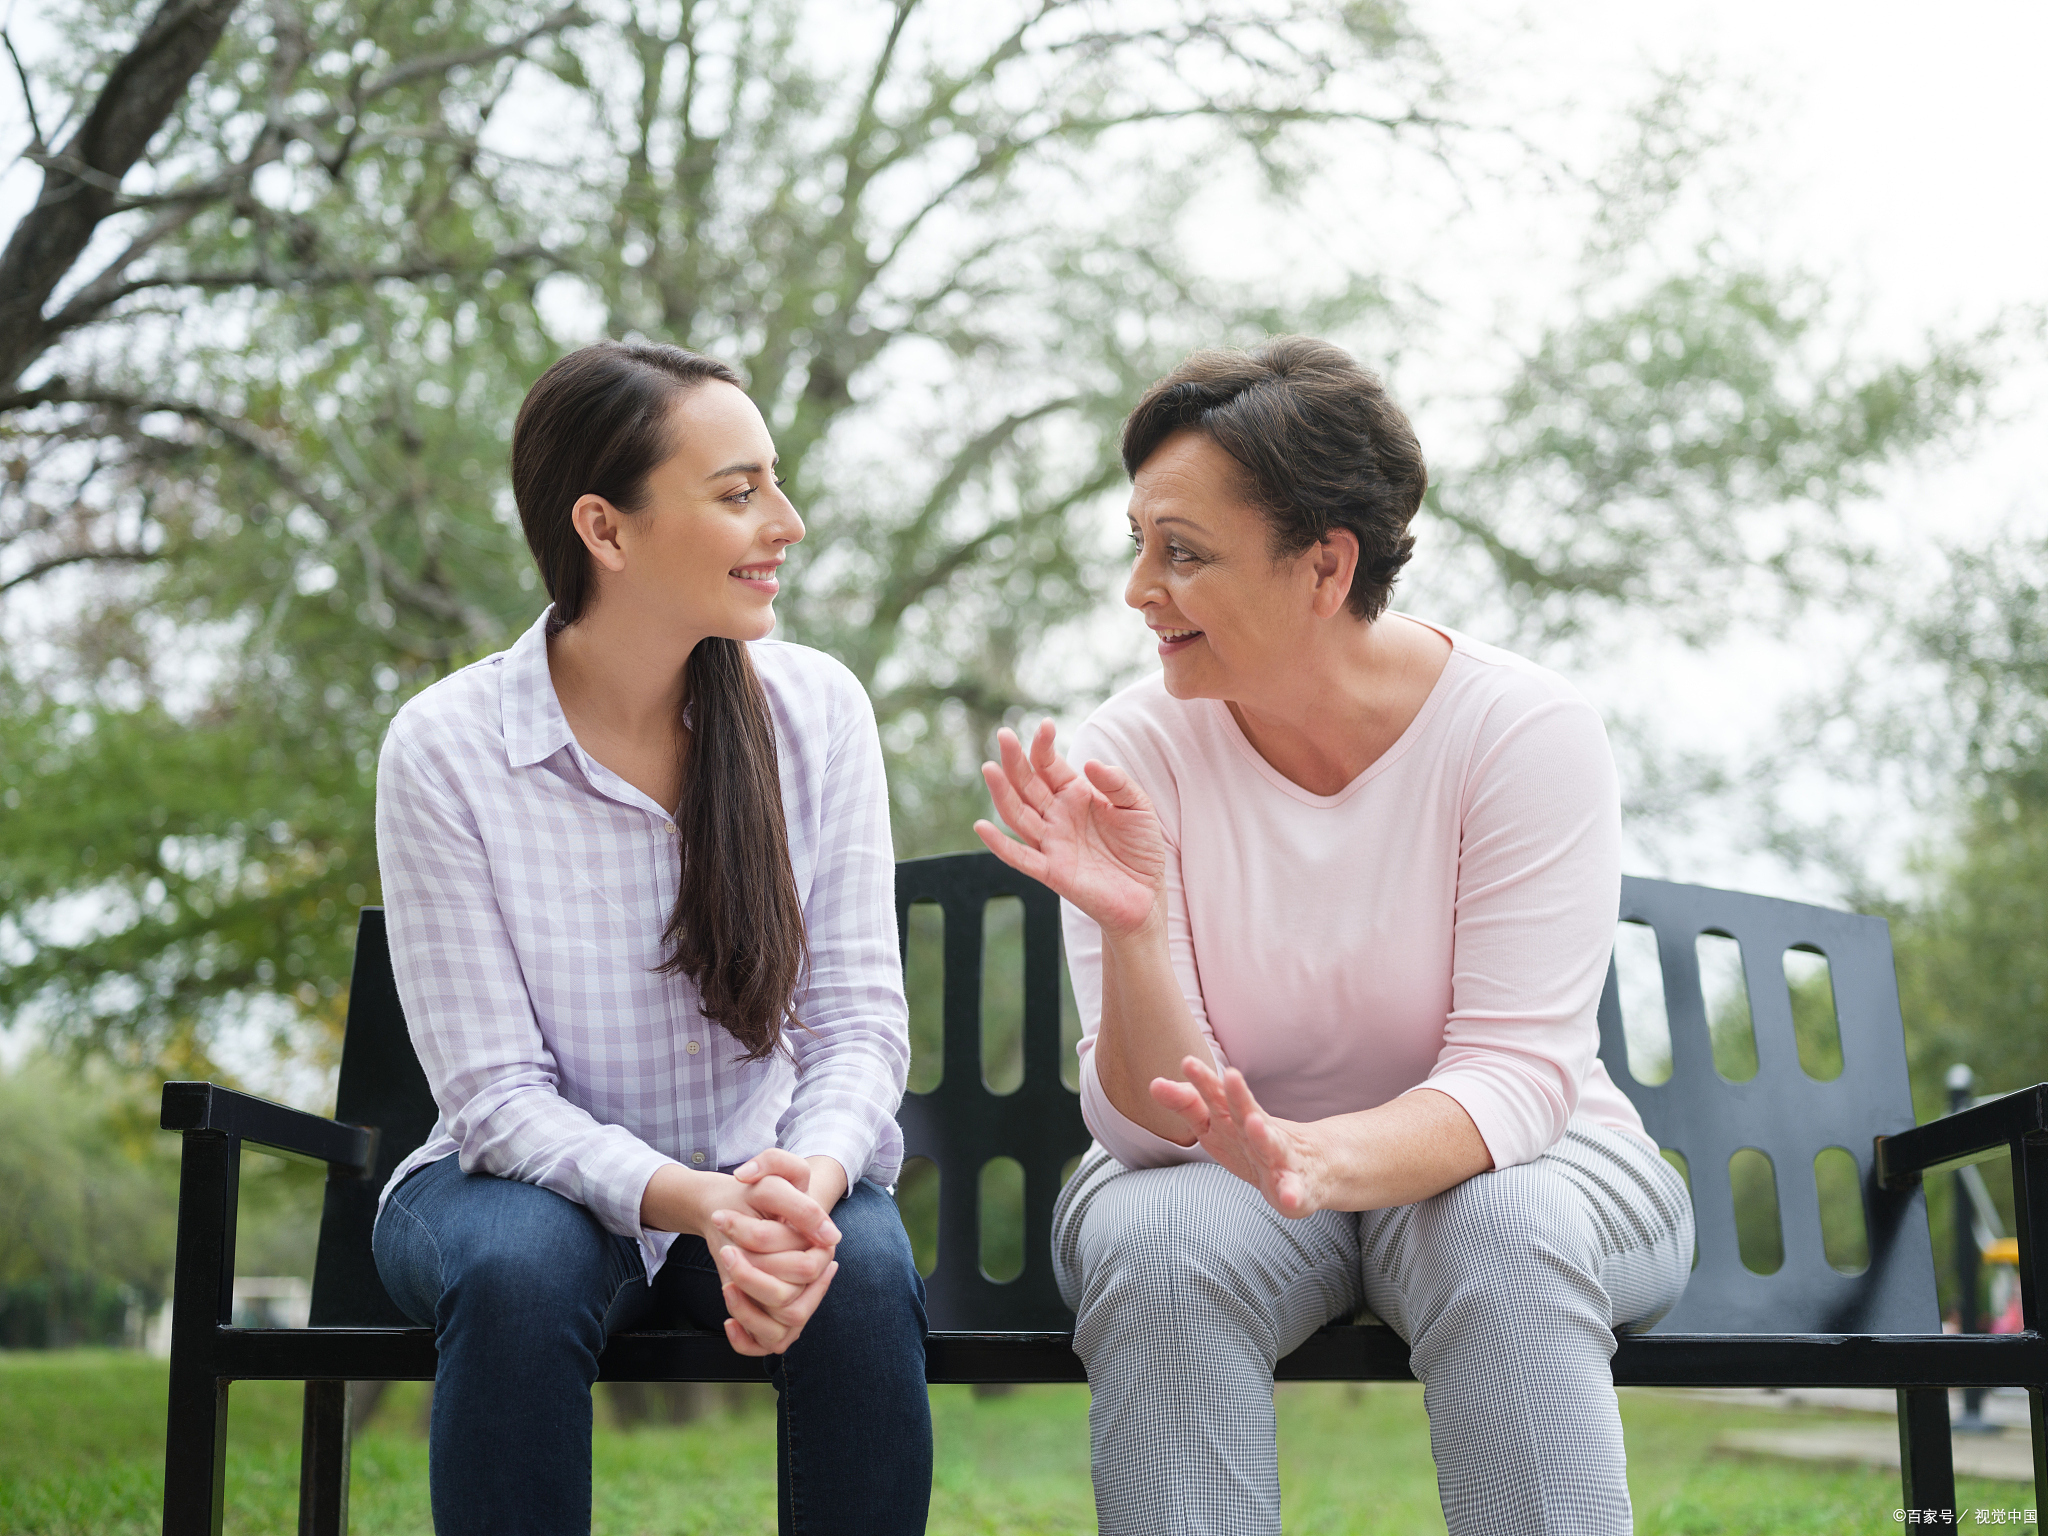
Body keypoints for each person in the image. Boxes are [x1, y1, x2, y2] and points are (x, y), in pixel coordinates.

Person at [975, 336, 1693, 1536]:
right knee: (1155, 1247)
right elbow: (1149, 1128)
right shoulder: (1130, 750)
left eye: (1182, 553)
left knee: (1498, 1228)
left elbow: (1516, 1078)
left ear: (1324, 566)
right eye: (1138, 544)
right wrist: (1136, 928)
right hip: (1217, 1180)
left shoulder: (1521, 732)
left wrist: (1314, 1159)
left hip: (1526, 1164)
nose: (1138, 590)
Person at [370, 340, 931, 1535]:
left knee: (863, 1275)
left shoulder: (815, 711)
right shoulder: (447, 747)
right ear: (604, 531)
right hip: (518, 1186)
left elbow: (857, 1025)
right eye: (738, 493)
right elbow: (495, 1099)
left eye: (771, 481)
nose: (784, 520)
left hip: (764, 1159)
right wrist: (692, 1201)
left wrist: (804, 1183)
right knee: (520, 1270)